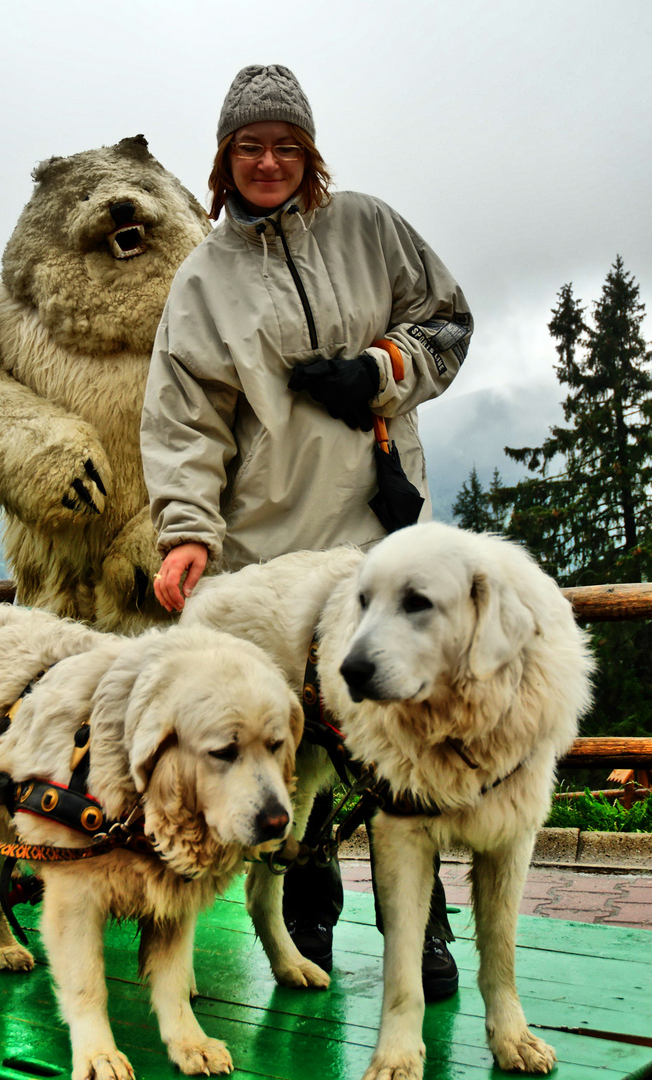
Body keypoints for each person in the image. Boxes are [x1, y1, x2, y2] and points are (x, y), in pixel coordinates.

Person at [140, 64, 472, 1000]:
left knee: (405, 736)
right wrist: (187, 531)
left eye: (286, 145)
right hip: (267, 552)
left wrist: (381, 369)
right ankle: (305, 911)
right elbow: (182, 420)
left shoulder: (368, 226)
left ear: (310, 154)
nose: (269, 161)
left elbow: (447, 321)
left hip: (379, 540)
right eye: (250, 146)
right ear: (223, 159)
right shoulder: (202, 279)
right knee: (293, 742)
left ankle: (426, 929)